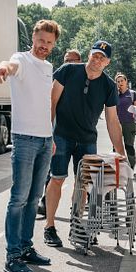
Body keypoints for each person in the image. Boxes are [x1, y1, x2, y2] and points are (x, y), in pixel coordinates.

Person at [0, 19, 61, 272]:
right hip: (24, 140)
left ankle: (26, 247)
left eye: (49, 43)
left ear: (54, 45)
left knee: (33, 199)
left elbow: (45, 105)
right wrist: (1, 71)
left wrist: (51, 137)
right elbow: (8, 66)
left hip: (44, 141)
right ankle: (12, 256)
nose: (44, 46)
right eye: (41, 40)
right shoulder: (20, 59)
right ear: (34, 38)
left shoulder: (48, 67)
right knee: (18, 199)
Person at [43, 40, 126, 247]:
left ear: (107, 62)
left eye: (102, 58)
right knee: (57, 179)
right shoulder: (68, 70)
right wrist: (49, 134)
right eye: (95, 55)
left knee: (84, 185)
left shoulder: (108, 85)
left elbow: (112, 120)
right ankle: (49, 227)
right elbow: (51, 102)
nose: (97, 60)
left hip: (87, 140)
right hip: (61, 135)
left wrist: (120, 152)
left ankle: (77, 225)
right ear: (89, 54)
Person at [36, 48, 83, 217]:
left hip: (80, 136)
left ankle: (77, 210)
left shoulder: (84, 80)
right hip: (58, 132)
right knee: (54, 171)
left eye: (72, 60)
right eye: (66, 60)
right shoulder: (59, 77)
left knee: (80, 175)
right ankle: (45, 203)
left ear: (80, 62)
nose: (68, 63)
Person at [115, 72, 136, 169]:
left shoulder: (133, 94)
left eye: (122, 81)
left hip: (129, 123)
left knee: (129, 145)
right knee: (116, 146)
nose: (120, 83)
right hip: (117, 124)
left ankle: (131, 166)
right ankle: (117, 166)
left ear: (126, 81)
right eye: (118, 81)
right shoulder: (114, 95)